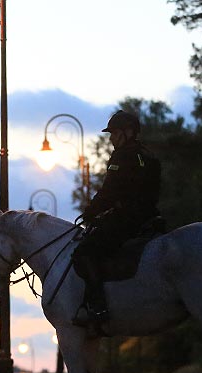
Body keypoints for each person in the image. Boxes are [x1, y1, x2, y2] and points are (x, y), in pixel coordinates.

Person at [72, 109, 162, 327]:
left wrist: (90, 212)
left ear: (127, 132)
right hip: (150, 217)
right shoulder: (148, 156)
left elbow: (108, 192)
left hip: (126, 219)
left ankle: (97, 306)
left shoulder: (122, 156)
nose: (111, 139)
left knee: (84, 252)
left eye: (114, 134)